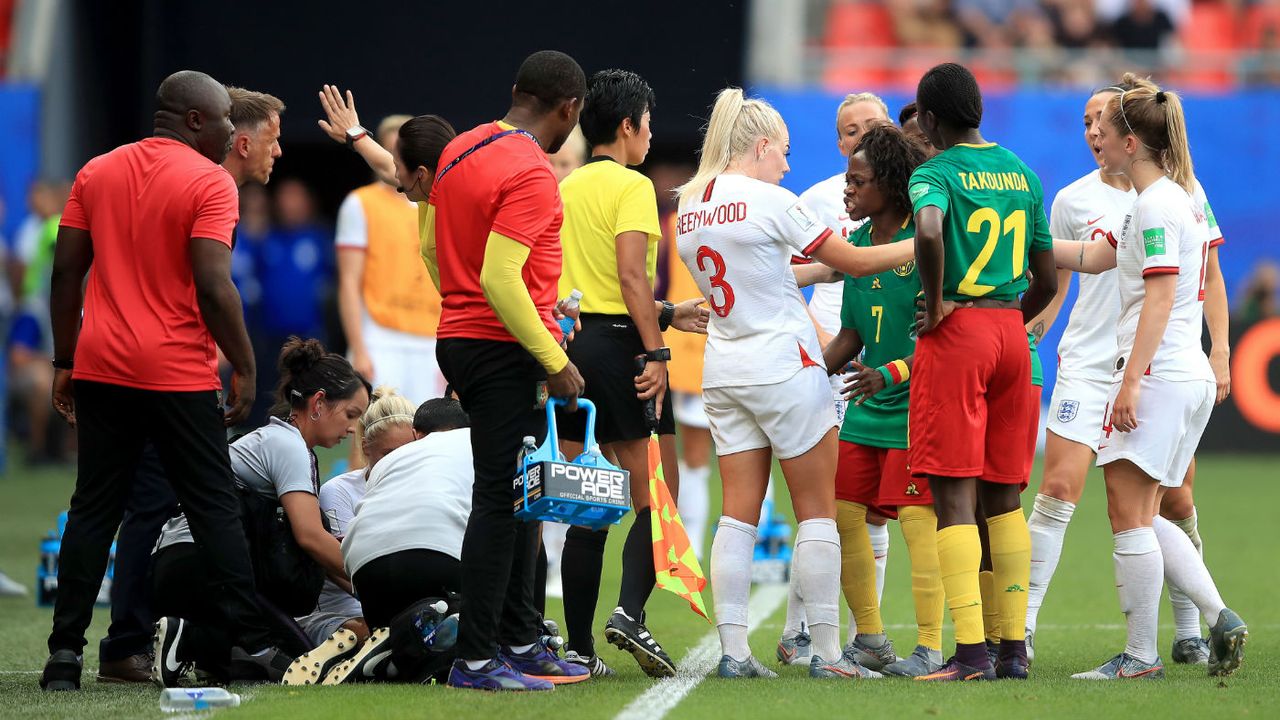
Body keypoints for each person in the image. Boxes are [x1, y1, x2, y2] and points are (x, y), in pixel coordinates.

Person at [39, 70, 287, 691]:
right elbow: (212, 282)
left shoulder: (95, 171)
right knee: (213, 508)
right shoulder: (209, 182)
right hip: (176, 371)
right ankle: (247, 645)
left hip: (100, 367)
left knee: (93, 510)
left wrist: (64, 359)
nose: (234, 133)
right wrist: (247, 365)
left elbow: (66, 271)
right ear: (196, 120)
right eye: (226, 122)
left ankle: (64, 656)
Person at [675, 87, 914, 680]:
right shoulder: (771, 198)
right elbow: (856, 263)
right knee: (817, 513)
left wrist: (825, 265)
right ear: (760, 146)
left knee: (737, 516)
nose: (787, 163)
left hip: (725, 366)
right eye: (782, 151)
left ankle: (733, 654)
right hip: (786, 365)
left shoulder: (689, 204)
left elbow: (767, 267)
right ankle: (830, 655)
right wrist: (931, 244)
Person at [1023, 77, 1232, 666]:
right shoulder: (1101, 200)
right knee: (1087, 496)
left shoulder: (1170, 197)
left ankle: (1174, 637)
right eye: (1087, 122)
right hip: (1110, 367)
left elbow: (1171, 293)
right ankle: (1031, 625)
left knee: (1151, 506)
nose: (1094, 134)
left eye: (1105, 124)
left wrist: (1151, 374)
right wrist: (1031, 250)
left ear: (1130, 138)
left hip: (1153, 370)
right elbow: (1089, 261)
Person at [421, 50, 590, 692]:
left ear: (516, 90)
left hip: (463, 337)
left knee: (519, 499)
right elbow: (500, 276)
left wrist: (457, 306)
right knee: (499, 502)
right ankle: (476, 659)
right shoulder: (532, 170)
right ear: (569, 110)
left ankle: (521, 641)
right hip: (501, 346)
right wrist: (555, 360)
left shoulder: (460, 147)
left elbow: (430, 247)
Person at [554, 68, 708, 680]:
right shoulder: (633, 186)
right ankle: (629, 613)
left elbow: (580, 284)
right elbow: (630, 278)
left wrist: (664, 314)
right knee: (656, 495)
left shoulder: (563, 187)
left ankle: (578, 648)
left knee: (588, 503)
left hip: (573, 347)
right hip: (623, 348)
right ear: (626, 126)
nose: (650, 135)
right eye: (647, 122)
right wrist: (657, 351)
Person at [906, 62, 1058, 681]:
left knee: (953, 497)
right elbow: (1046, 281)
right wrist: (1006, 319)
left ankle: (969, 653)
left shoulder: (934, 172)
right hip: (1010, 334)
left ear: (933, 120)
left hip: (959, 332)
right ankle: (1012, 651)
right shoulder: (1021, 172)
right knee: (1004, 498)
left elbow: (930, 226)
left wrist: (939, 299)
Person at [150, 338, 370, 686]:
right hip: (199, 567)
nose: (352, 429)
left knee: (245, 669)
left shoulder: (281, 439)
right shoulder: (289, 446)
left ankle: (204, 646)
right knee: (289, 659)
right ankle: (189, 637)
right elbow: (310, 537)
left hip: (186, 565)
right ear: (318, 404)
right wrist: (371, 585)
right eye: (351, 414)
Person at [811, 124, 946, 677]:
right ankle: (869, 637)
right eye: (847, 179)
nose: (847, 190)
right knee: (844, 515)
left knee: (918, 522)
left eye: (857, 181)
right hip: (869, 405)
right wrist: (802, 374)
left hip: (919, 406)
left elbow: (944, 336)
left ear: (889, 186)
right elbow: (850, 335)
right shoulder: (859, 246)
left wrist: (888, 374)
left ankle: (932, 647)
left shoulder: (928, 241)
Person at [778, 91, 895, 666]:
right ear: (839, 142)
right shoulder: (819, 198)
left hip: (883, 367)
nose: (860, 135)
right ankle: (799, 627)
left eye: (870, 125)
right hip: (831, 361)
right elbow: (783, 272)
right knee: (826, 501)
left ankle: (860, 631)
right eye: (850, 130)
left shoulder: (909, 193)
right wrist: (815, 342)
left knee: (877, 507)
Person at [323, 394, 475, 684]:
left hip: (365, 579)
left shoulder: (388, 464)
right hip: (432, 563)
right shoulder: (477, 443)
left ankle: (392, 653)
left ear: (417, 434)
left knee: (419, 656)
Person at [334, 115, 446, 406]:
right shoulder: (361, 203)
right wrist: (358, 348)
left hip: (431, 336)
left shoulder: (435, 199)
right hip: (381, 335)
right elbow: (348, 281)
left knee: (428, 433)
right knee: (373, 429)